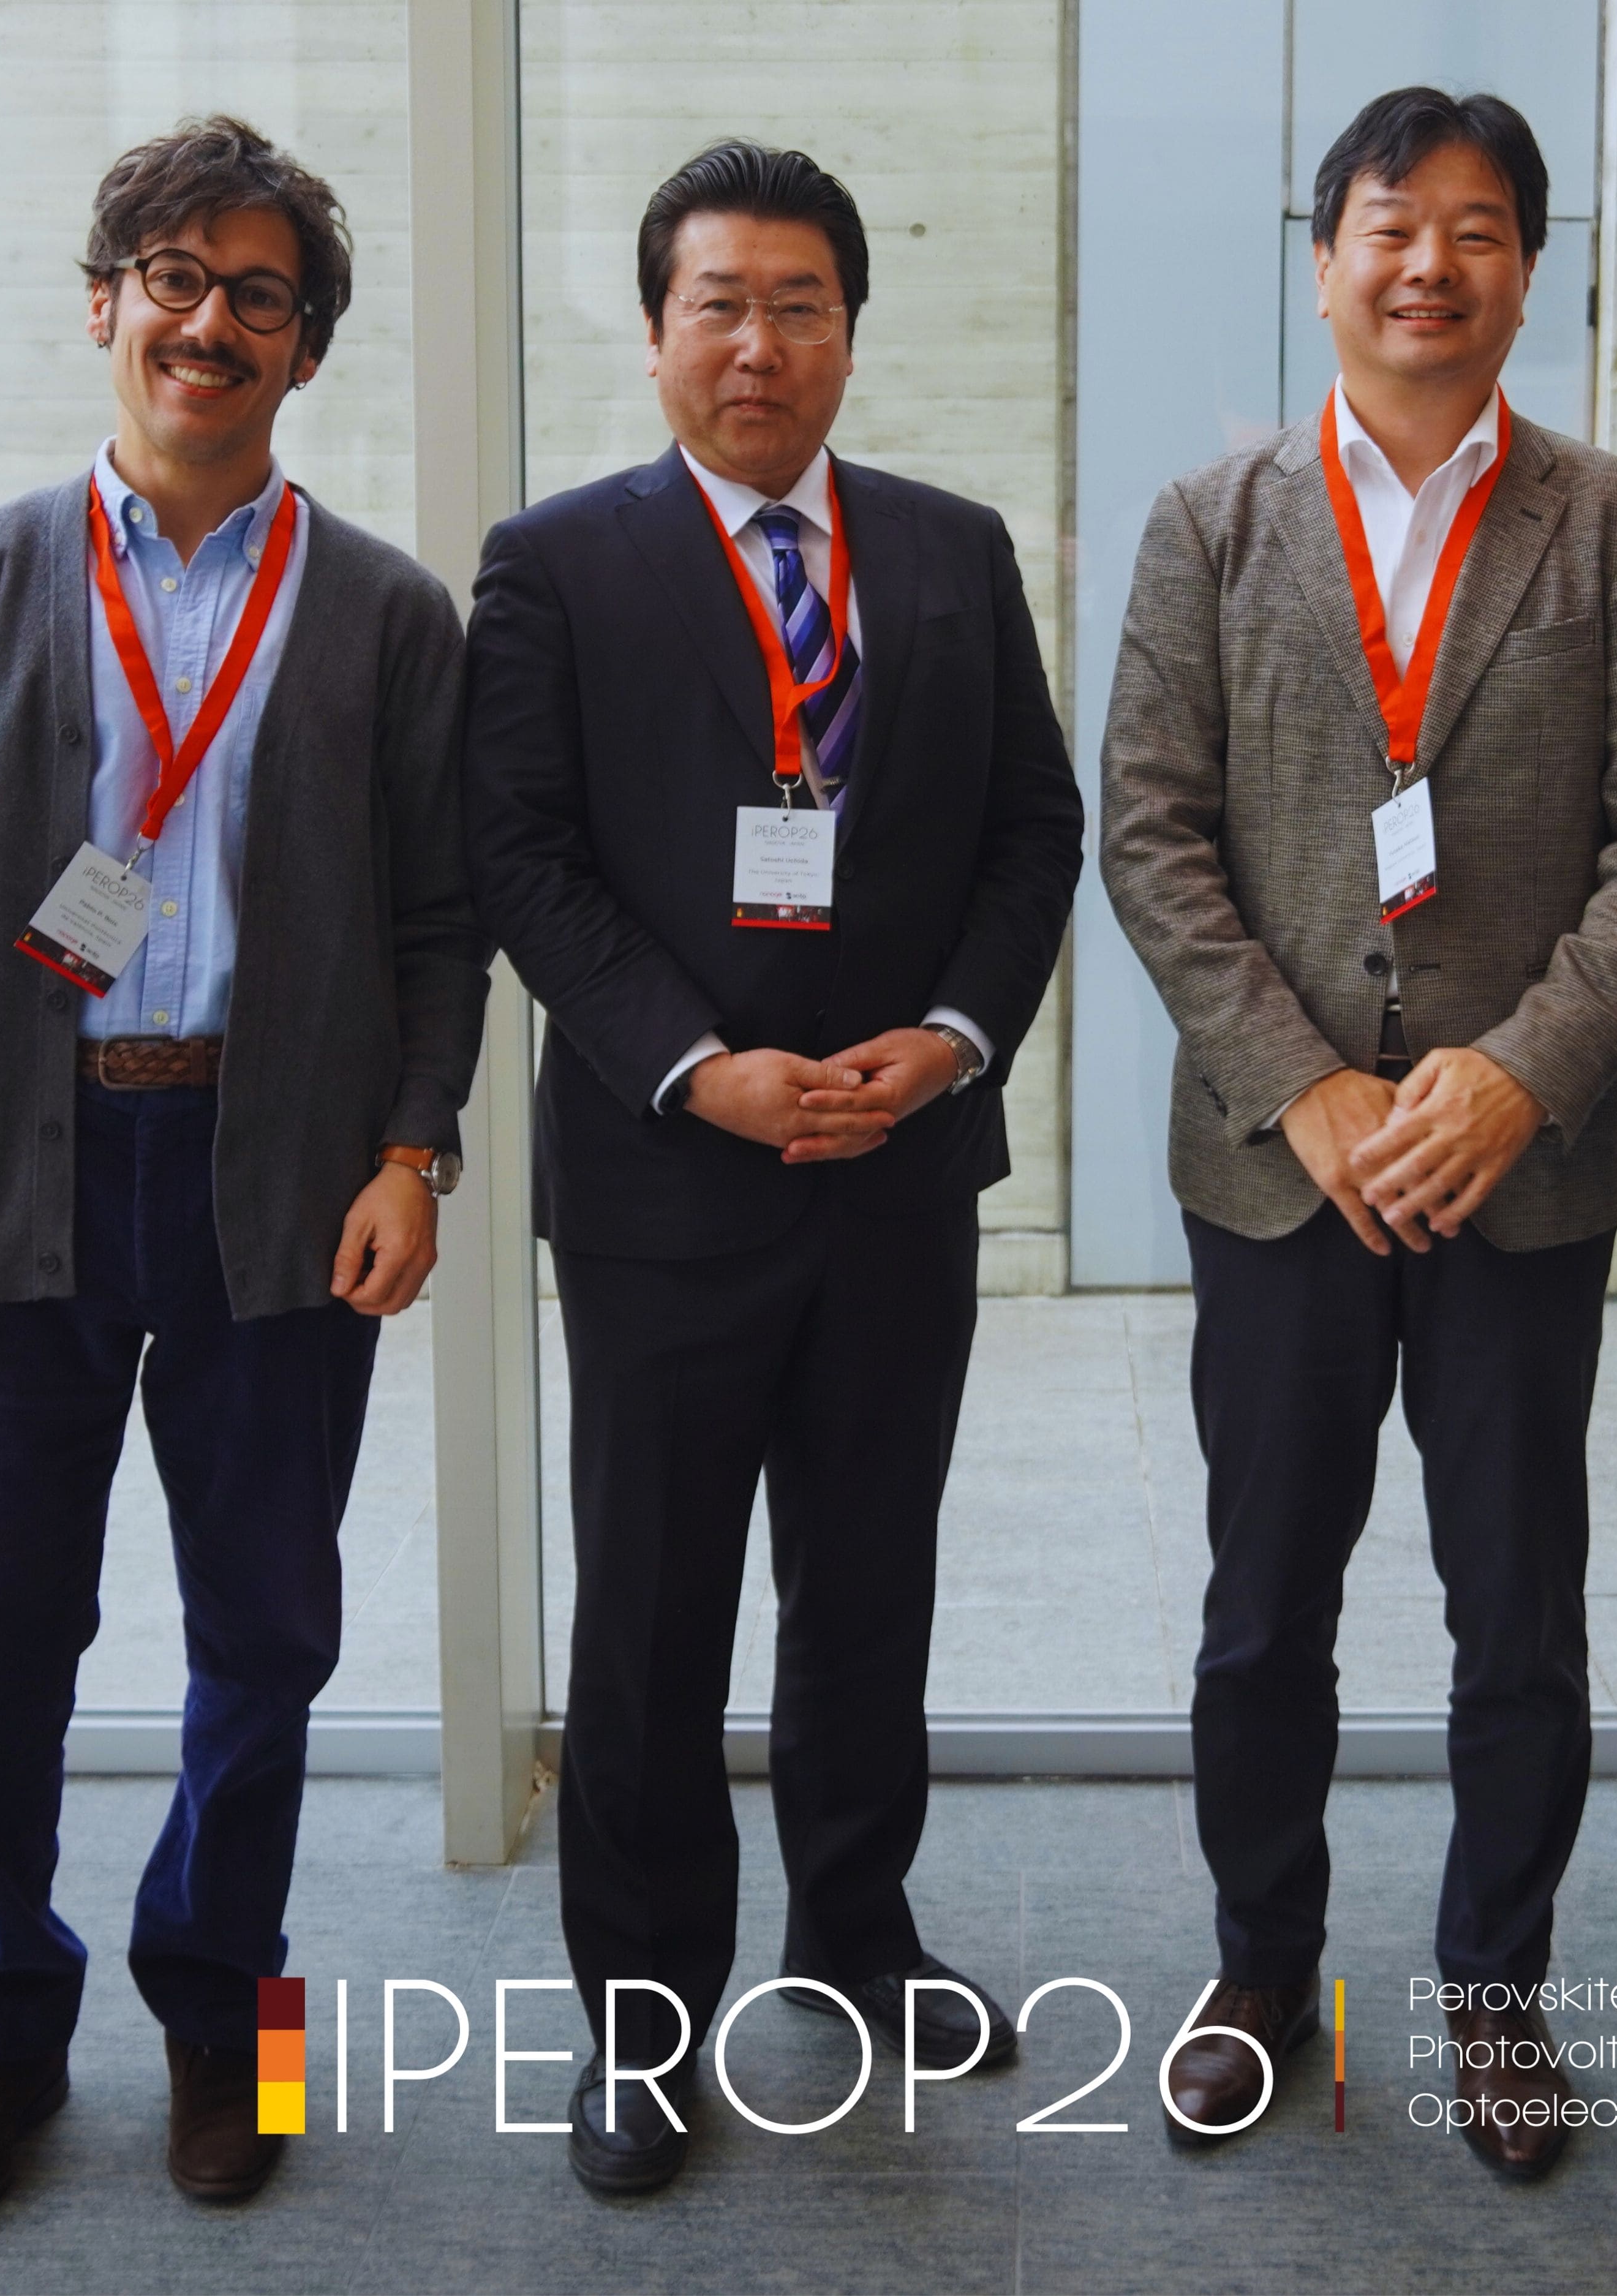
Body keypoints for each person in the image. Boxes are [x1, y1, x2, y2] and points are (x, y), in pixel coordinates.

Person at [0, 116, 488, 2241]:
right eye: (173, 279)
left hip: (276, 1178)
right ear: (103, 305)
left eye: (257, 295)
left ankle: (234, 2026)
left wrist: (412, 1150)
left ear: (306, 349)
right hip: (7, 1184)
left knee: (268, 1634)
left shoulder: (384, 612)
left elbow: (440, 924)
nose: (210, 322)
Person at [1099, 86, 1617, 2184]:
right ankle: (1259, 1972)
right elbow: (1150, 831)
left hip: (1515, 1169)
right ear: (1323, 263)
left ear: (1526, 272)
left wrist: (1519, 1069)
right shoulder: (1210, 521)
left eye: (1474, 230)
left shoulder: (1614, 522)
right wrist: (1306, 1085)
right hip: (1282, 1170)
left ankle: (1493, 1992)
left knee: (1515, 1611)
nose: (1427, 265)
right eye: (1388, 225)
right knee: (1261, 1604)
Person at [461, 139, 1084, 2197]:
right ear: (656, 334)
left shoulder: (949, 549)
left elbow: (1033, 829)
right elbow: (522, 858)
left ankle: (857, 1933)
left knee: (868, 1580)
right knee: (650, 1614)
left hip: (897, 1166)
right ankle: (643, 2023)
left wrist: (955, 1038)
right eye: (717, 304)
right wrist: (696, 1068)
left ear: (848, 334)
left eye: (797, 306)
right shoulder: (557, 565)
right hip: (670, 1185)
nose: (757, 344)